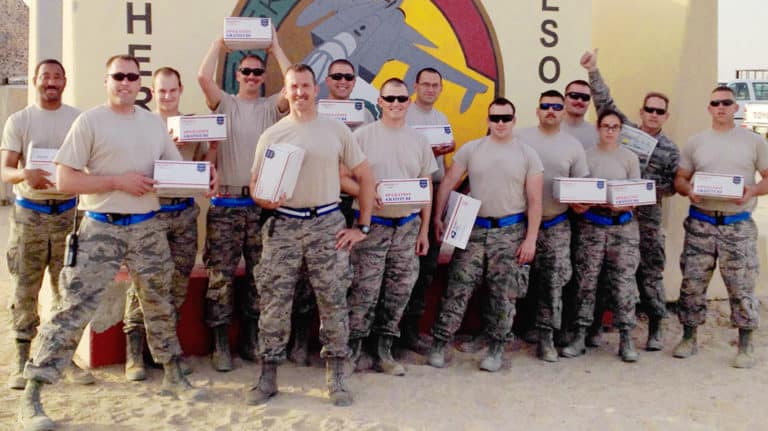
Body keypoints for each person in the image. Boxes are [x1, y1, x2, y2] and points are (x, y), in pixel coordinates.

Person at [18, 54, 206, 431]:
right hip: (100, 227)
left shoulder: (153, 126)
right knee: (71, 308)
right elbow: (66, 180)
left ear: (141, 85)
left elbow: (170, 175)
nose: (125, 82)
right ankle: (33, 391)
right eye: (118, 76)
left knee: (159, 302)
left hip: (147, 228)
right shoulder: (90, 122)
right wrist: (117, 182)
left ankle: (173, 373)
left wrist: (203, 178)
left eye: (132, 77)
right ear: (107, 81)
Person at [248, 64, 375, 406]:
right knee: (274, 302)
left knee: (333, 300)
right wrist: (264, 198)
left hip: (327, 224)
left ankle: (336, 376)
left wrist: (361, 226)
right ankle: (268, 375)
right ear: (286, 92)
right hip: (284, 226)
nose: (300, 92)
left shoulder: (336, 130)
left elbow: (365, 175)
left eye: (305, 86)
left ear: (315, 89)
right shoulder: (273, 135)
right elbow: (255, 185)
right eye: (294, 87)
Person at [197, 28, 290, 371]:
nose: (251, 76)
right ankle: (221, 344)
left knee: (259, 276)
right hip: (225, 205)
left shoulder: (271, 108)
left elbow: (294, 84)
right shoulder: (226, 103)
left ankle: (250, 339)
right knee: (220, 276)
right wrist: (219, 43)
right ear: (237, 75)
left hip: (261, 206)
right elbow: (201, 77)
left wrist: (275, 48)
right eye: (245, 71)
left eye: (257, 72)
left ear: (264, 77)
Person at [427, 97, 543, 372]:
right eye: (495, 118)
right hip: (474, 228)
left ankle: (496, 347)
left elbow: (535, 201)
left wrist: (531, 239)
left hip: (510, 230)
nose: (500, 123)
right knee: (459, 286)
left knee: (504, 294)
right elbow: (448, 183)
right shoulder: (472, 149)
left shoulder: (528, 154)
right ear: (488, 120)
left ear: (514, 121)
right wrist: (437, 216)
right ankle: (441, 342)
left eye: (505, 118)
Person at [1, 59, 94, 390]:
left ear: (65, 81)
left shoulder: (78, 119)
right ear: (35, 81)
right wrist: (23, 174)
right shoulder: (20, 120)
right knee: (26, 288)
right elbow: (5, 169)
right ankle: (22, 359)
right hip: (31, 215)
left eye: (57, 76)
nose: (50, 82)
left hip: (68, 215)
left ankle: (61, 358)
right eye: (45, 77)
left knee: (65, 290)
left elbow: (89, 164)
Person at [581, 49, 680, 351]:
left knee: (649, 273)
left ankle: (656, 327)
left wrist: (644, 191)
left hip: (645, 218)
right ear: (641, 111)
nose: (653, 114)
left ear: (666, 116)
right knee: (604, 274)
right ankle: (597, 326)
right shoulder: (624, 132)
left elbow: (673, 186)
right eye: (649, 109)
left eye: (659, 111)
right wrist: (593, 70)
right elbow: (604, 103)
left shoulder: (670, 149)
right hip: (609, 216)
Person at [122, 67, 209, 381]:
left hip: (184, 214)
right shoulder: (140, 125)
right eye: (162, 92)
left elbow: (205, 169)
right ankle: (134, 355)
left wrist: (209, 148)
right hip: (150, 214)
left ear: (181, 90)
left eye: (173, 91)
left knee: (177, 285)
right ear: (152, 93)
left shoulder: (193, 126)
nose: (168, 97)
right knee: (142, 283)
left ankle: (166, 351)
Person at [288, 58, 376, 366]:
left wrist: (363, 194)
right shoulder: (314, 112)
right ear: (325, 81)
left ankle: (341, 349)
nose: (342, 81)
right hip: (314, 203)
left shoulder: (363, 114)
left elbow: (360, 164)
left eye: (348, 77)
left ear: (354, 82)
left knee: (340, 279)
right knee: (304, 279)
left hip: (346, 207)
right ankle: (300, 339)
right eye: (337, 76)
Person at [673, 86, 768, 368]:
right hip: (701, 222)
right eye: (715, 103)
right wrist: (688, 189)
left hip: (736, 226)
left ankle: (746, 344)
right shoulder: (696, 142)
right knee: (692, 283)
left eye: (727, 102)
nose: (721, 107)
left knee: (742, 286)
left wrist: (751, 190)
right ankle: (689, 337)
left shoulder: (753, 142)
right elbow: (680, 178)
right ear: (709, 108)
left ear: (735, 108)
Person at [347, 77, 437, 376]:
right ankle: (355, 349)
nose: (396, 104)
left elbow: (426, 188)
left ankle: (385, 349)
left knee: (399, 291)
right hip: (371, 227)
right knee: (364, 290)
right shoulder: (362, 137)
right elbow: (342, 175)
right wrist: (366, 192)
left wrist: (424, 231)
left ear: (408, 102)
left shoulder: (419, 141)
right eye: (390, 99)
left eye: (401, 99)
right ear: (380, 102)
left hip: (407, 227)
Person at [561, 109, 642, 363]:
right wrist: (578, 204)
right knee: (586, 283)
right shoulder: (586, 157)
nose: (610, 131)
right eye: (605, 126)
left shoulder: (629, 157)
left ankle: (626, 338)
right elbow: (577, 191)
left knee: (624, 284)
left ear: (620, 130)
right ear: (598, 128)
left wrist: (625, 204)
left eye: (615, 127)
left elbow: (636, 195)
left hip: (623, 229)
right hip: (592, 226)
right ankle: (580, 335)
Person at [517, 90, 589, 362]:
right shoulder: (520, 139)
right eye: (545, 105)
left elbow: (581, 184)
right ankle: (501, 333)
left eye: (556, 107)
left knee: (553, 282)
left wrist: (582, 203)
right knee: (509, 280)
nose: (550, 110)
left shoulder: (573, 146)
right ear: (537, 110)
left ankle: (546, 337)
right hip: (520, 222)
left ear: (563, 112)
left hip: (556, 222)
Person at [401, 67, 456, 352]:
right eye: (426, 84)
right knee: (401, 267)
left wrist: (439, 212)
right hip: (406, 194)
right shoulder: (403, 113)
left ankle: (411, 330)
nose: (430, 89)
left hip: (432, 193)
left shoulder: (441, 119)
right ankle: (389, 333)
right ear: (415, 86)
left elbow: (445, 168)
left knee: (425, 267)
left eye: (436, 85)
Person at [561, 79, 599, 150]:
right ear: (564, 99)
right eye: (574, 96)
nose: (579, 101)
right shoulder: (550, 129)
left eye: (585, 97)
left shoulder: (597, 135)